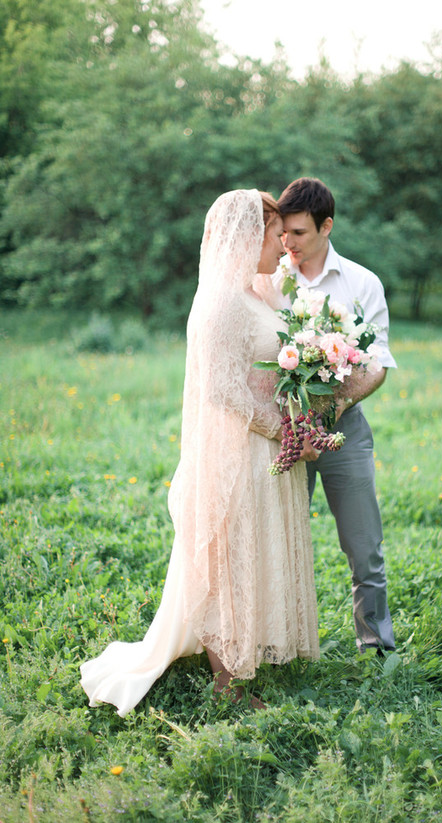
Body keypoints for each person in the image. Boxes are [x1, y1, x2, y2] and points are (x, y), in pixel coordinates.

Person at [80, 190, 319, 716]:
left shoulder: (256, 294)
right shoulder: (220, 303)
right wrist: (280, 427)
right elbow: (220, 390)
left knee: (255, 550)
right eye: (273, 233)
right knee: (229, 559)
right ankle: (227, 684)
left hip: (268, 450)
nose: (281, 244)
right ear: (245, 236)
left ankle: (252, 652)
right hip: (241, 449)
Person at [275, 177, 397, 654]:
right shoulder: (270, 279)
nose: (288, 244)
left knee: (364, 547)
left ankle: (377, 646)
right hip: (281, 434)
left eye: (299, 233)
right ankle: (283, 648)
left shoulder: (361, 283)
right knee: (281, 541)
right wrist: (296, 421)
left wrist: (334, 405)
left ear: (327, 227)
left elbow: (378, 362)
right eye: (283, 233)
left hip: (343, 431)